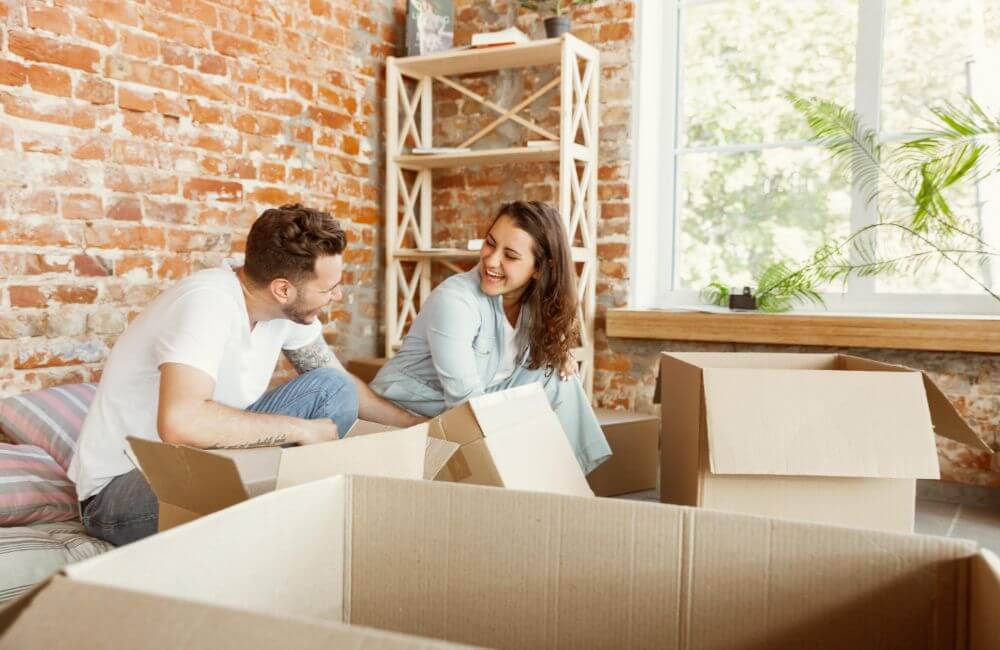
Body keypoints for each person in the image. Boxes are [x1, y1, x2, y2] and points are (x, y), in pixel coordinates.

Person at [68, 203, 423, 546]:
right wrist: (301, 429)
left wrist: (414, 424)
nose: (337, 295)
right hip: (121, 492)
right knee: (289, 463)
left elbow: (337, 383)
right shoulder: (206, 303)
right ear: (282, 289)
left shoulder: (282, 309)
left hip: (203, 460)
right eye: (329, 288)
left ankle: (289, 513)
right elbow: (182, 423)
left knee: (332, 388)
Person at [370, 201, 611, 474]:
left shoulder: (534, 304)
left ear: (540, 269)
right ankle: (527, 485)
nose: (491, 260)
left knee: (558, 377)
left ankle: (567, 478)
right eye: (490, 243)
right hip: (414, 406)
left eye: (509, 255)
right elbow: (464, 403)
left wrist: (560, 355)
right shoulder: (455, 301)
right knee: (502, 414)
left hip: (477, 399)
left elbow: (526, 369)